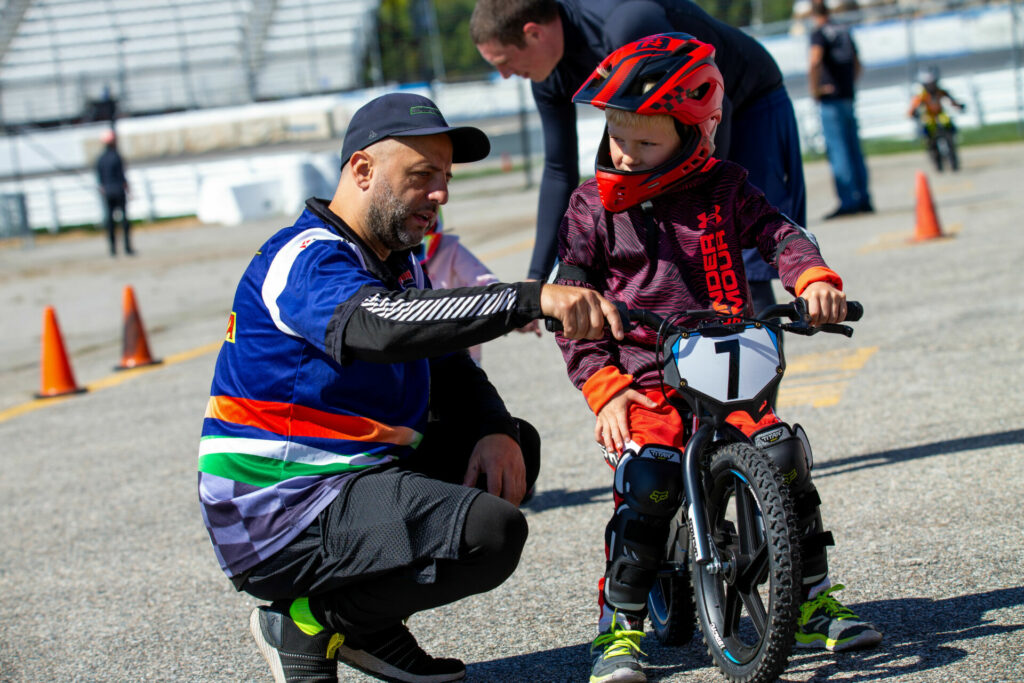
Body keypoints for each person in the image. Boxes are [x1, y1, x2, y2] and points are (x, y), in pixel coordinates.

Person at [197, 92, 624, 683]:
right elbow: (379, 326)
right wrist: (527, 297)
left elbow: (447, 364)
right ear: (363, 171)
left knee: (511, 451)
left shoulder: (398, 260)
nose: (441, 194)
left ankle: (364, 625)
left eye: (445, 178)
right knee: (489, 534)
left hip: (350, 478)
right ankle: (309, 621)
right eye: (422, 176)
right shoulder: (305, 258)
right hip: (281, 509)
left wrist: (493, 427)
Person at [551, 35, 882, 682]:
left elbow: (779, 233)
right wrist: (605, 387)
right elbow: (573, 306)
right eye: (616, 133)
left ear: (694, 135)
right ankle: (619, 626)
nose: (623, 151)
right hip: (645, 375)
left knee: (784, 453)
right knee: (651, 476)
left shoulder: (725, 186)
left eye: (644, 142)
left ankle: (811, 599)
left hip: (725, 361)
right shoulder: (589, 208)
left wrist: (811, 278)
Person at [470, 0, 807, 313]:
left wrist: (707, 207)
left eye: (503, 62)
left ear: (533, 33)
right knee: (665, 265)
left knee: (734, 264)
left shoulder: (626, 25)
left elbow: (714, 111)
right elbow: (559, 169)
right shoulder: (547, 73)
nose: (505, 75)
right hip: (679, 130)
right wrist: (537, 275)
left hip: (744, 102)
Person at [415, 210, 541, 365]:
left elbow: (484, 283)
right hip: (415, 356)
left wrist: (515, 311)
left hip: (461, 356)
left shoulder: (449, 249)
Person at [808, 1, 873, 219]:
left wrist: (815, 89)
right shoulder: (843, 30)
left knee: (838, 151)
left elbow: (815, 60)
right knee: (854, 149)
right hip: (847, 95)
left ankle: (848, 201)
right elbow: (857, 63)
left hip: (830, 98)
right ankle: (864, 197)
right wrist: (850, 85)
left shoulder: (819, 33)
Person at [908, 65, 965, 172]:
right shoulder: (921, 95)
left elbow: (952, 101)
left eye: (933, 83)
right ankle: (938, 164)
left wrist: (959, 106)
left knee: (950, 135)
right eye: (929, 84)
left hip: (941, 117)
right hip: (929, 120)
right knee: (931, 142)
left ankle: (954, 163)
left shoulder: (940, 91)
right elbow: (912, 108)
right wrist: (913, 113)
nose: (931, 86)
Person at [95, 128, 133, 256]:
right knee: (124, 220)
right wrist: (128, 190)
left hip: (107, 192)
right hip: (118, 190)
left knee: (110, 221)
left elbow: (99, 179)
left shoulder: (100, 159)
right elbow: (122, 176)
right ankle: (127, 247)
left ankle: (112, 249)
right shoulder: (117, 157)